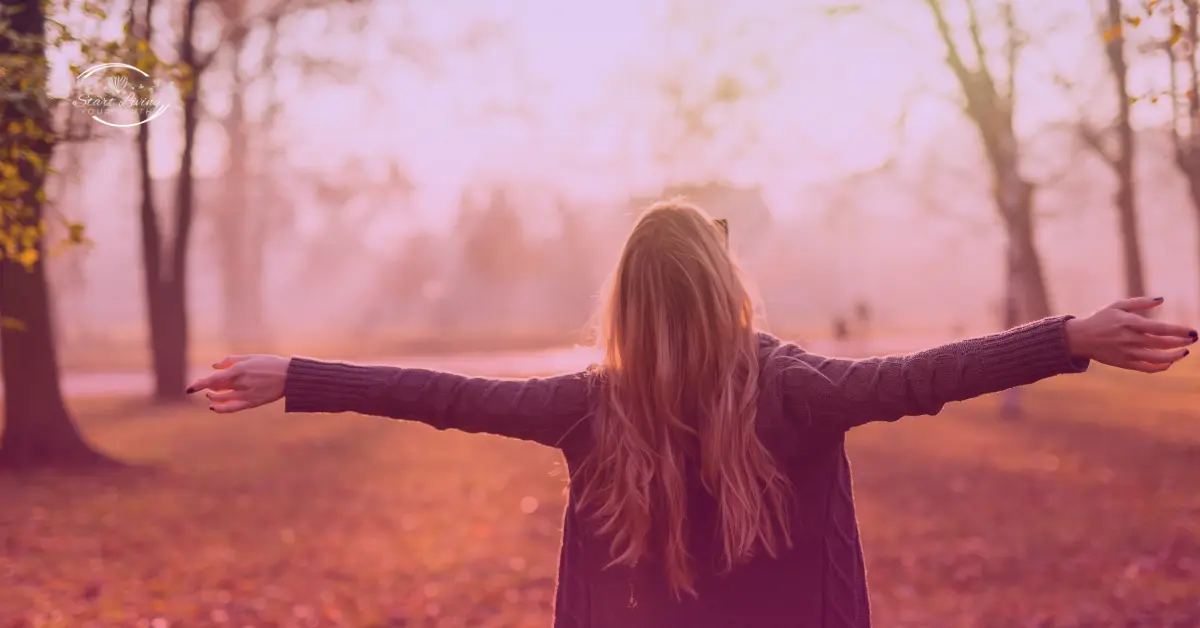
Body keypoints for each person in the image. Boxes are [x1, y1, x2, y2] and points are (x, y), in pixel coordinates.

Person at [187, 201, 1196, 628]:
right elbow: (923, 377)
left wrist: (298, 373)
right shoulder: (794, 389)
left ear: (626, 299)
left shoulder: (588, 405)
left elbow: (442, 398)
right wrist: (1067, 337)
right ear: (728, 286)